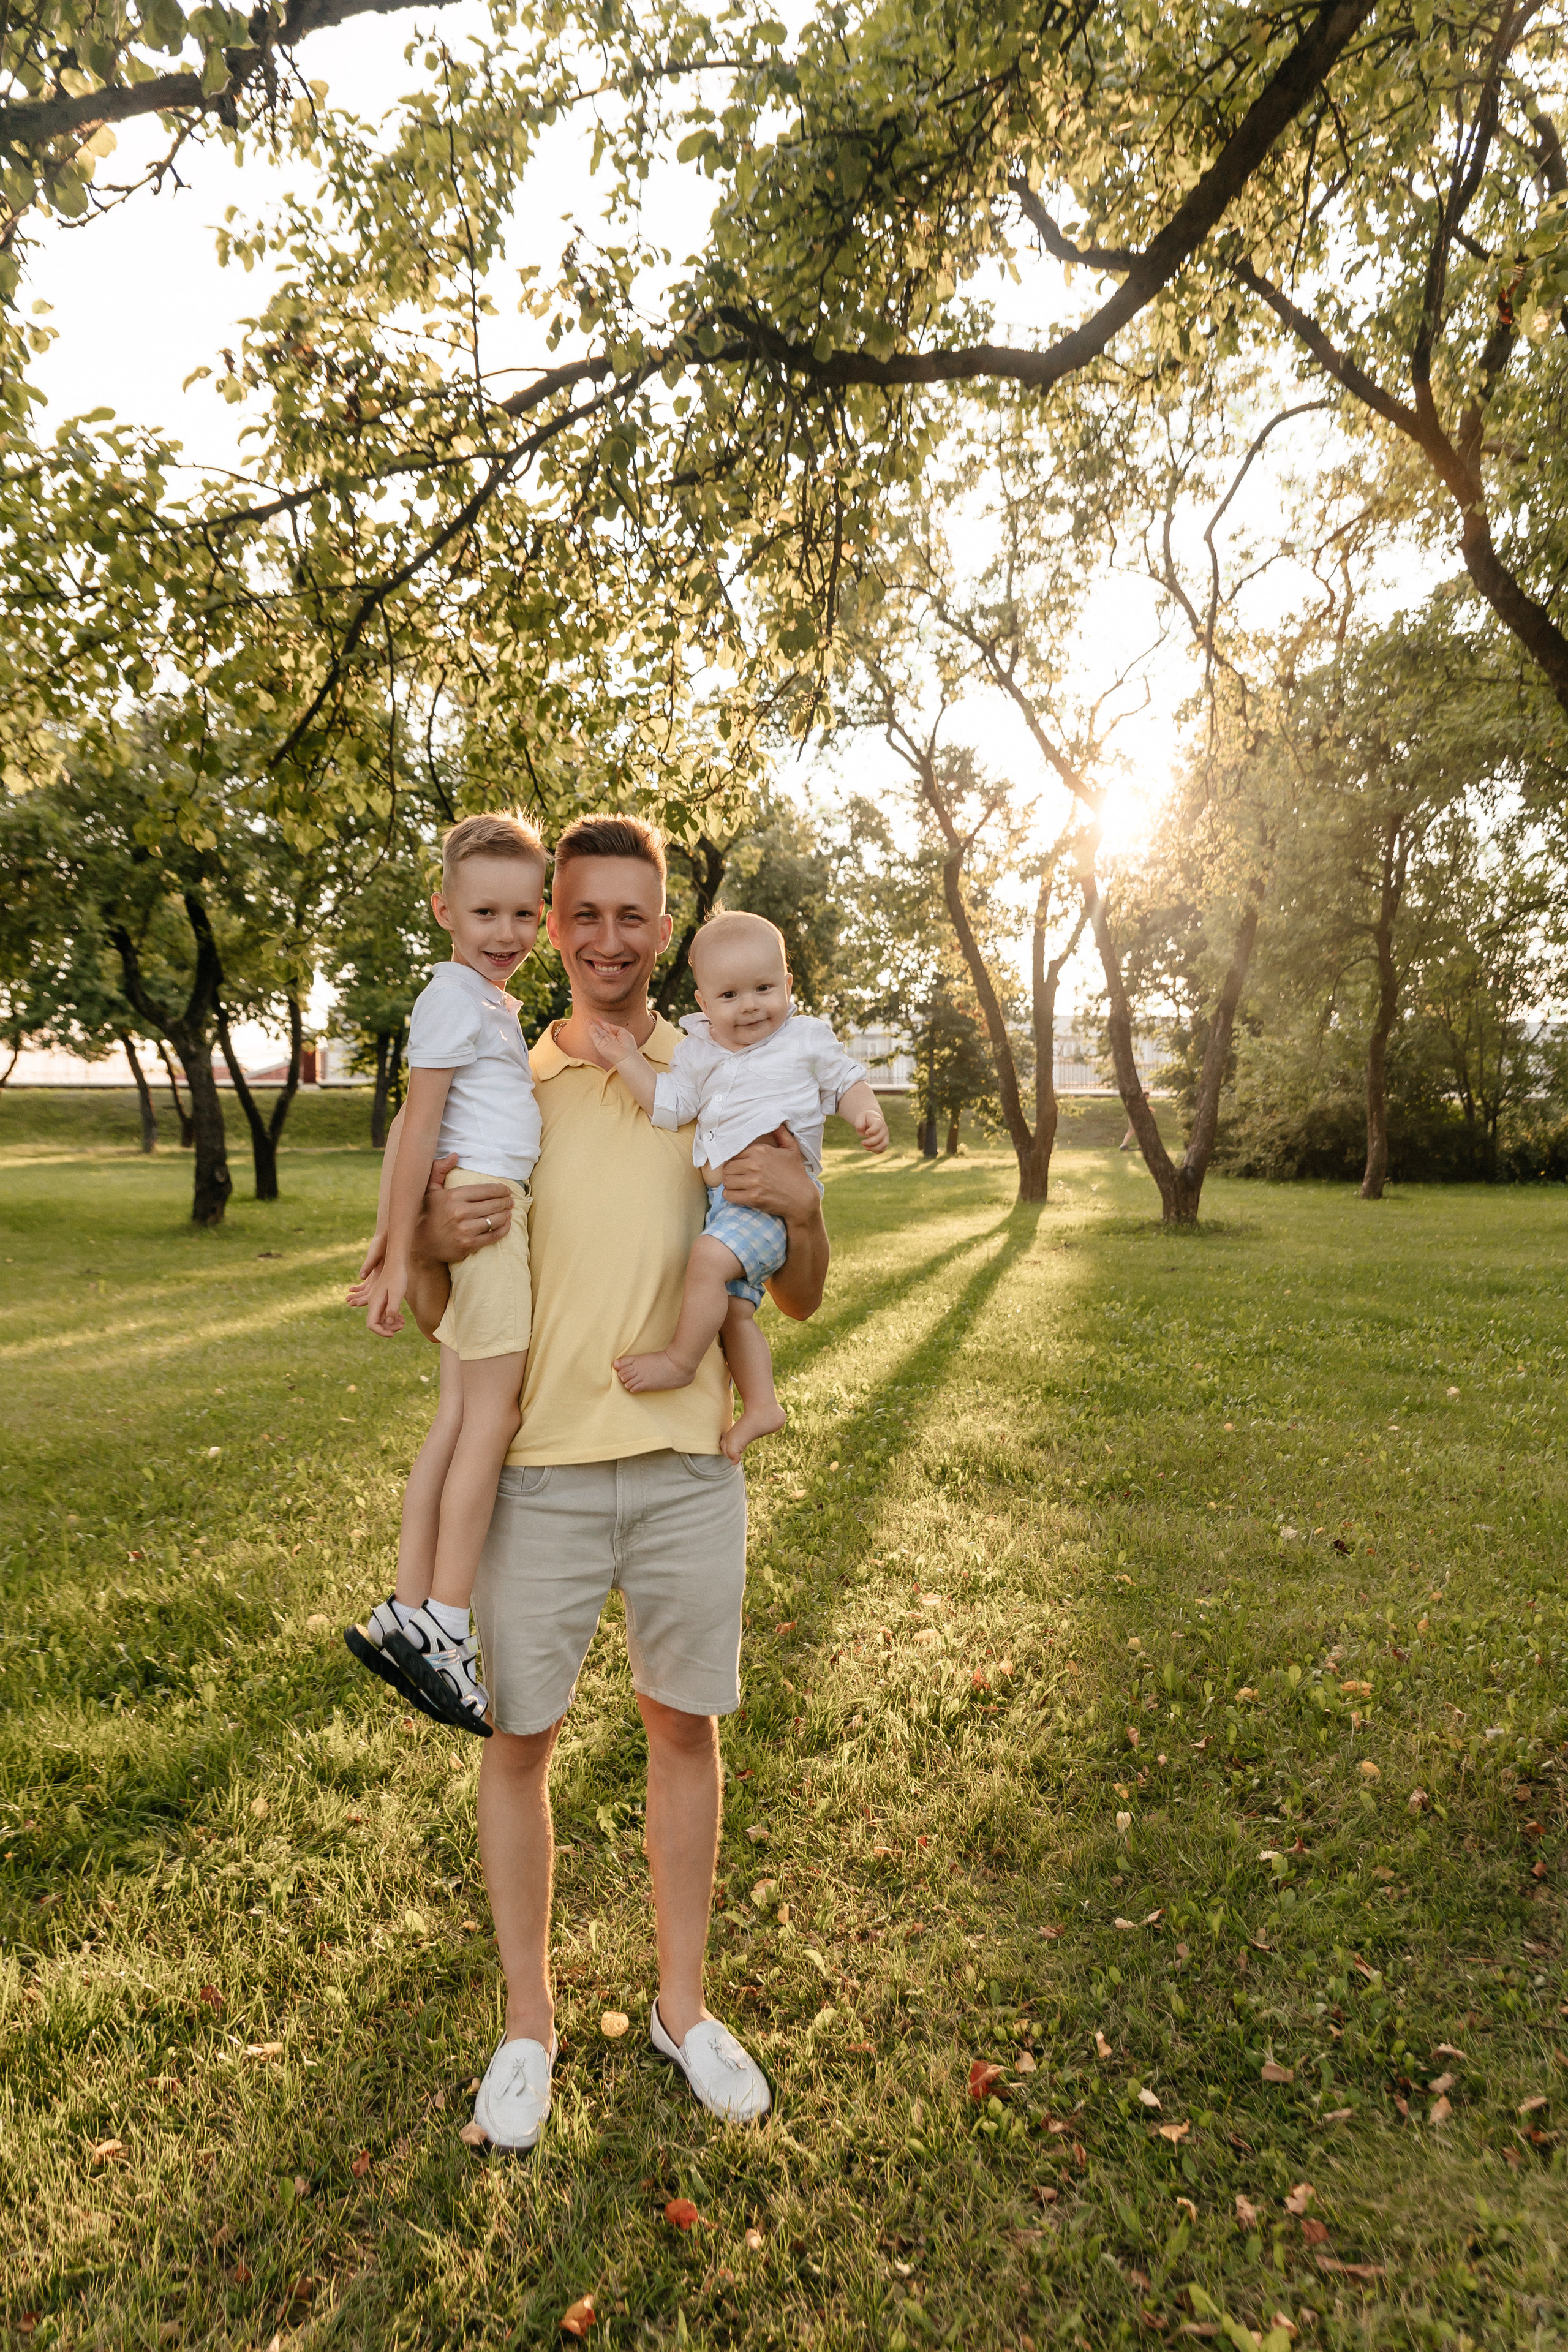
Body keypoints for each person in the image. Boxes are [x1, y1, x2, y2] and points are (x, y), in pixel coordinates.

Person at [389, 815, 829, 2149]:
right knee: (516, 1745)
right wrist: (421, 1231)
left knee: (682, 1731)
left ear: (663, 933)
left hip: (691, 1469)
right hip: (539, 1476)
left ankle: (681, 2006)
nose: (603, 939)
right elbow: (429, 1307)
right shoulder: (503, 1083)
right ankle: (526, 2026)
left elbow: (797, 1292)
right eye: (580, 915)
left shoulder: (723, 1075)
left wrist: (799, 1207)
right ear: (550, 924)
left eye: (631, 917)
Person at [345, 812, 547, 1734]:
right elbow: (415, 1124)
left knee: (457, 1415)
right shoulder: (452, 1000)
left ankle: (405, 1605)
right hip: (488, 1214)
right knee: (490, 1419)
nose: (506, 934)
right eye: (485, 915)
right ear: (444, 911)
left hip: (477, 1198)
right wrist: (396, 1247)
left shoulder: (488, 1005)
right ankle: (448, 1624)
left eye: (524, 914)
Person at [590, 908, 887, 1458]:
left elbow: (846, 1079)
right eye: (729, 996)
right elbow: (669, 1105)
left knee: (705, 1261)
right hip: (725, 1202)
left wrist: (865, 1114)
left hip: (768, 1202)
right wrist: (629, 1060)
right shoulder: (697, 1051)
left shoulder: (805, 1038)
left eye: (764, 988)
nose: (750, 1005)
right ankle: (762, 1405)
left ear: (788, 985)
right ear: (703, 1004)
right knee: (733, 1311)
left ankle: (680, 1361)